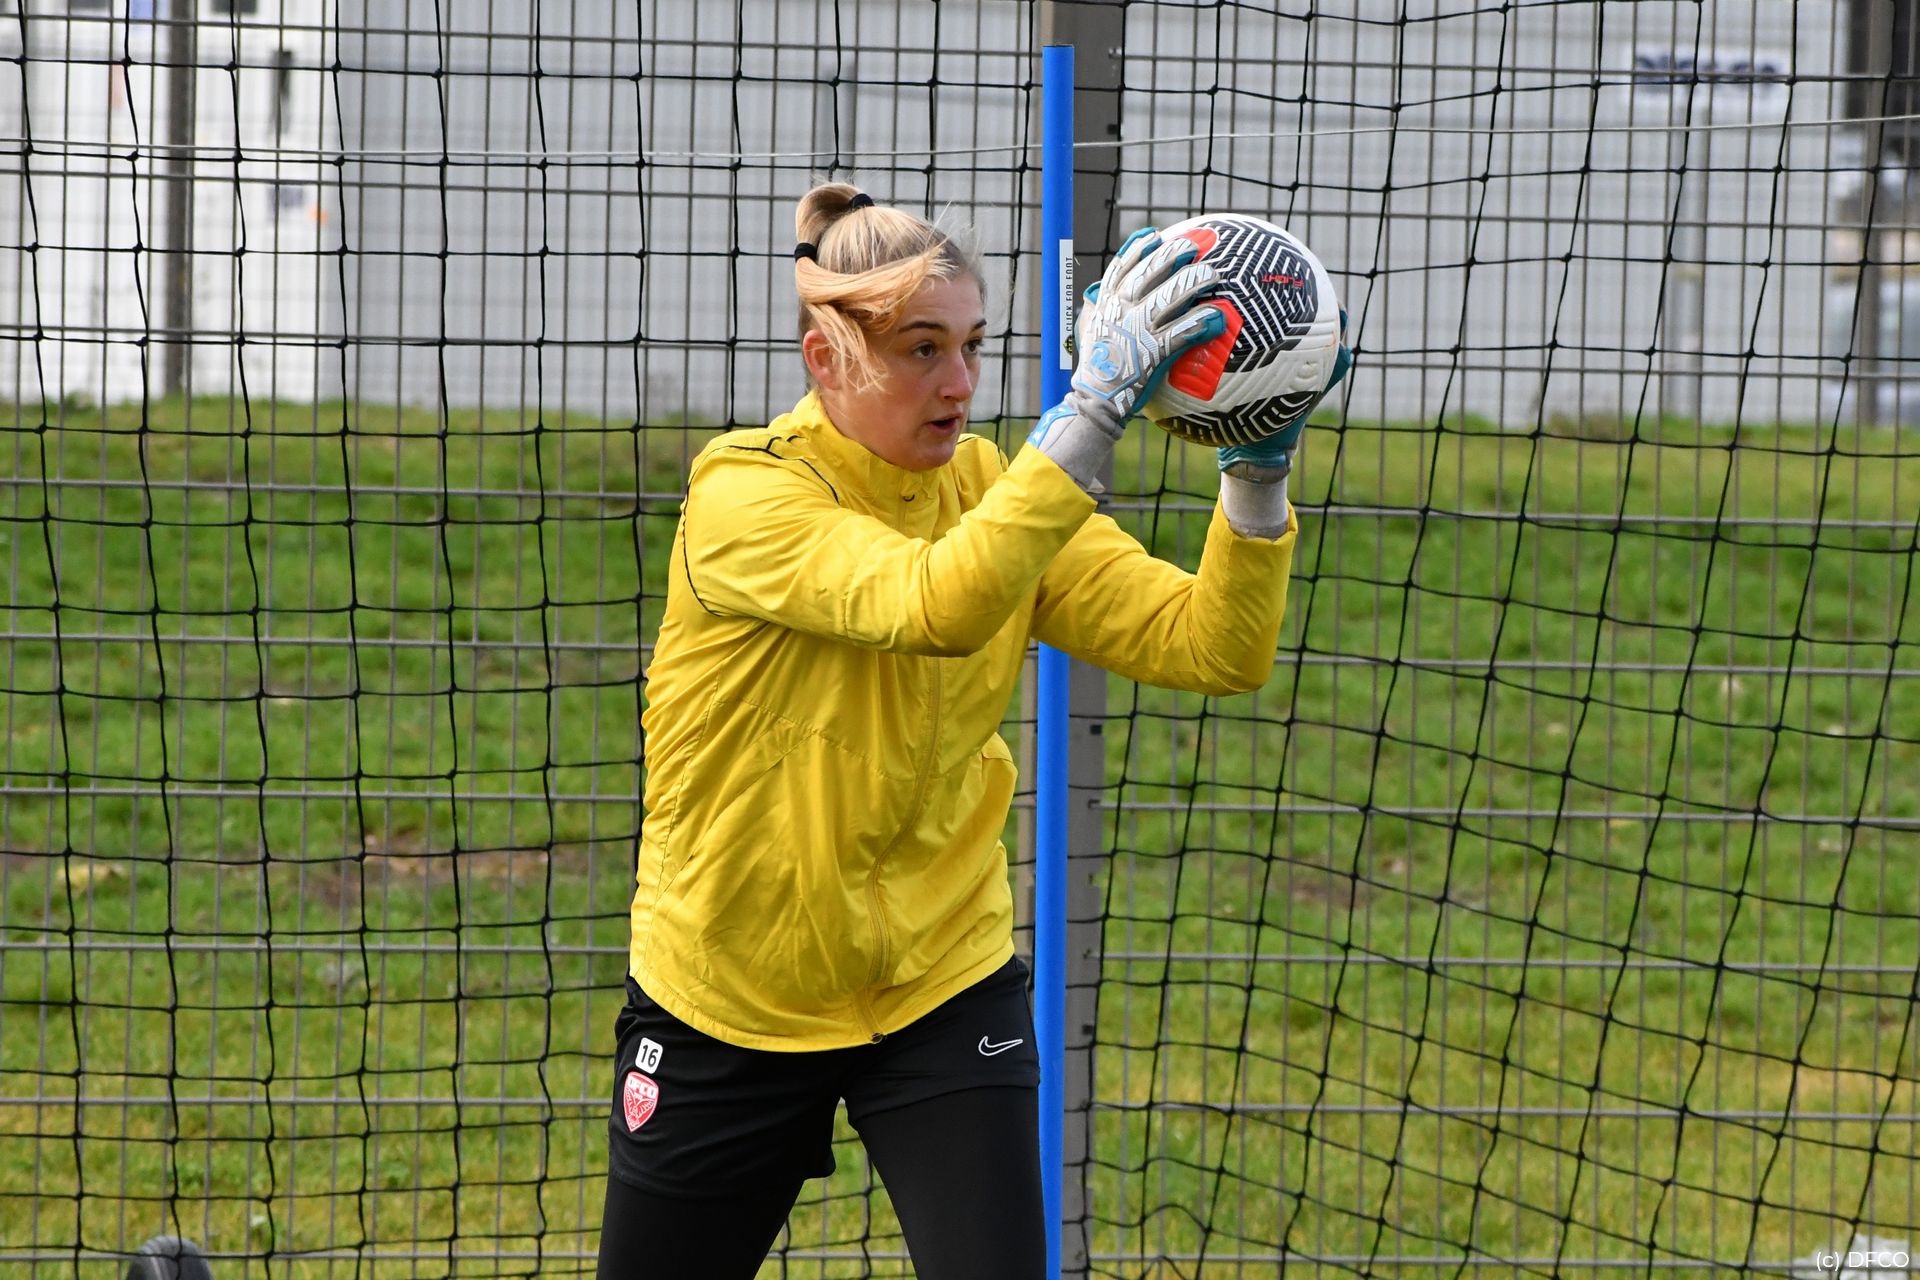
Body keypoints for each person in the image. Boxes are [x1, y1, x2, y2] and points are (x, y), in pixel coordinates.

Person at [596, 183, 1352, 1279]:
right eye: (920, 349)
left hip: (944, 979)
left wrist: (1257, 474)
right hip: (735, 991)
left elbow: (1211, 646)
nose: (958, 382)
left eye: (971, 345)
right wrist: (1091, 409)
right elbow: (934, 603)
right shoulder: (743, 496)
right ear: (824, 358)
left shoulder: (990, 490)